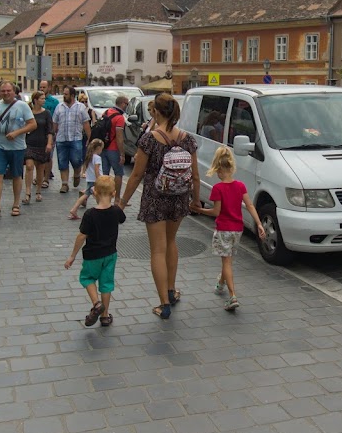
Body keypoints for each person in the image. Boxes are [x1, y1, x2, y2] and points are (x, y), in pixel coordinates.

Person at [120, 93, 199, 319]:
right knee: (172, 242)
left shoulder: (149, 139)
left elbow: (136, 176)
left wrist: (122, 202)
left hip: (155, 197)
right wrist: (195, 200)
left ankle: (163, 303)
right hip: (179, 197)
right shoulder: (187, 138)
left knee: (157, 249)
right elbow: (195, 174)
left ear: (155, 111)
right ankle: (172, 291)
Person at [191, 146, 266, 311]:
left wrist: (199, 210)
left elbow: (216, 211)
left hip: (223, 229)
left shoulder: (218, 189)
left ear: (218, 169)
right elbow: (250, 205)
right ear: (231, 167)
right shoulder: (240, 186)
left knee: (226, 262)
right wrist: (259, 223)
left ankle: (232, 296)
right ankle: (220, 284)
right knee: (228, 260)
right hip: (237, 230)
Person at [63, 175, 124, 328]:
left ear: (94, 193)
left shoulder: (90, 214)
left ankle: (96, 304)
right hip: (110, 254)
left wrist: (72, 256)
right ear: (114, 193)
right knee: (106, 284)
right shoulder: (116, 211)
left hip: (92, 255)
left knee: (88, 278)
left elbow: (82, 236)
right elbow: (122, 218)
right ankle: (105, 316)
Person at [0, 82, 36, 219]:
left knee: (16, 176)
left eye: (8, 91)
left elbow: (32, 124)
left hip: (17, 147)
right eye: (3, 91)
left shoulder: (22, 106)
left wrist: (17, 132)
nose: (6, 93)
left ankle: (16, 204)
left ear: (14, 92)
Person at [51, 87, 91, 194]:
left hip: (76, 139)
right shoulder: (59, 107)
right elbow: (54, 123)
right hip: (61, 139)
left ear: (72, 95)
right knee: (62, 162)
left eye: (66, 94)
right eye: (64, 94)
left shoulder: (80, 107)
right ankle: (64, 184)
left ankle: (77, 174)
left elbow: (86, 123)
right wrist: (52, 137)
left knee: (77, 160)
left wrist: (89, 138)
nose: (64, 96)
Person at [23, 91, 53, 205]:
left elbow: (50, 130)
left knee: (40, 169)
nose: (44, 101)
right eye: (41, 99)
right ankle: (27, 192)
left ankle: (38, 191)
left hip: (42, 143)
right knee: (29, 166)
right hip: (29, 143)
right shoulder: (28, 113)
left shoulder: (47, 113)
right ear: (35, 100)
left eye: (44, 98)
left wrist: (49, 143)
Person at [102, 95, 129, 206]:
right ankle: (117, 199)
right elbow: (119, 137)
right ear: (122, 103)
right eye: (127, 104)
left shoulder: (107, 112)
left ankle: (104, 197)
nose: (127, 106)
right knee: (118, 173)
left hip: (104, 147)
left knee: (105, 174)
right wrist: (122, 154)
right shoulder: (120, 117)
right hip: (113, 149)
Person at [68, 138, 104, 219]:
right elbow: (96, 169)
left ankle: (74, 209)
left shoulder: (89, 157)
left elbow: (86, 167)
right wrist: (99, 179)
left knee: (87, 195)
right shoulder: (97, 158)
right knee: (100, 195)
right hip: (96, 180)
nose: (102, 151)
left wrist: (84, 173)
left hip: (90, 179)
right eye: (102, 149)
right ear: (98, 148)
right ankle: (102, 211)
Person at [39, 80, 60, 189]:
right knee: (38, 155)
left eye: (44, 87)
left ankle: (46, 178)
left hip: (50, 131)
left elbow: (57, 117)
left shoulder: (54, 102)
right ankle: (39, 176)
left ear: (49, 88)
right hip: (38, 132)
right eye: (40, 87)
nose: (42, 89)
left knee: (48, 156)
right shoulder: (36, 100)